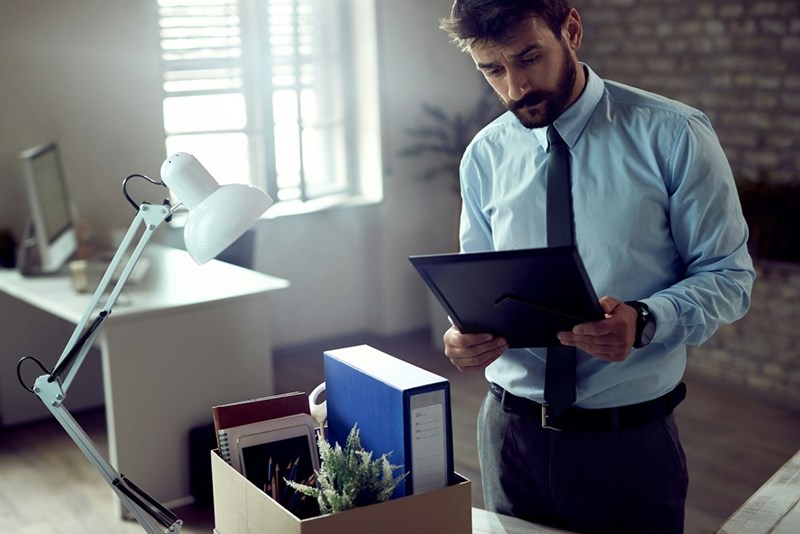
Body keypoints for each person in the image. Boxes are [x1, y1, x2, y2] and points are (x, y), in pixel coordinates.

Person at [438, 1, 755, 533]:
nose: (514, 87)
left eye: (529, 57)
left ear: (572, 31)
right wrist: (462, 336)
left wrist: (647, 318)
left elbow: (730, 273)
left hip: (628, 445)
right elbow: (480, 288)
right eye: (493, 69)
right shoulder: (484, 156)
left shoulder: (674, 135)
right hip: (509, 437)